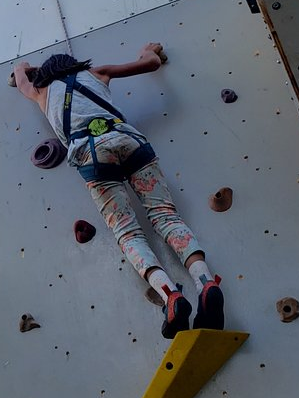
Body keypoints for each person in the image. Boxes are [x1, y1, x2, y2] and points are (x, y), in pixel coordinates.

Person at [12, 44, 224, 339]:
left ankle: (170, 297)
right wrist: (150, 50)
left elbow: (22, 81)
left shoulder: (41, 93)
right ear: (74, 65)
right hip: (127, 139)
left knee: (128, 233)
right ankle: (205, 283)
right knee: (165, 216)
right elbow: (150, 63)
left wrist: (23, 67)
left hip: (91, 155)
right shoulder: (97, 73)